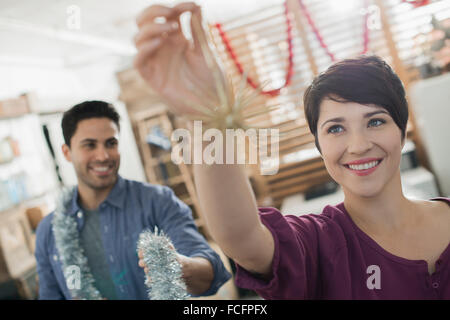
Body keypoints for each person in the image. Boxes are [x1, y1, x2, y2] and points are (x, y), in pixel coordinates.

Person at [133, 3, 450, 299]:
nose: (358, 145)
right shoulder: (317, 244)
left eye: (376, 121)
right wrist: (207, 114)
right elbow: (240, 235)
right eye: (335, 128)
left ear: (401, 126)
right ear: (319, 144)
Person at [35, 100, 231, 299]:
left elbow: (211, 273)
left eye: (111, 143)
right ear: (67, 152)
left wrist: (179, 265)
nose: (102, 156)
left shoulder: (158, 201)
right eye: (89, 145)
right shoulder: (48, 231)